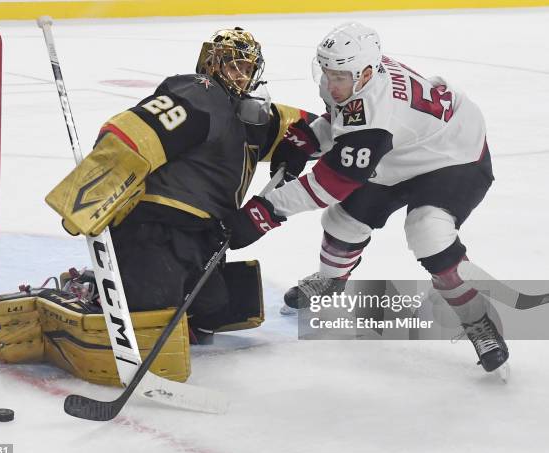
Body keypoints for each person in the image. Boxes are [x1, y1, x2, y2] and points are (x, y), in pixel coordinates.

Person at [225, 22, 509, 373]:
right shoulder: (355, 76)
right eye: (326, 72)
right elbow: (344, 120)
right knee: (343, 222)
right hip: (404, 149)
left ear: (366, 73)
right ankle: (332, 281)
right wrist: (307, 139)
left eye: (339, 77)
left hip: (455, 154)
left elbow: (331, 184)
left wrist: (263, 213)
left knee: (428, 233)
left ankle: (479, 320)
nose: (330, 84)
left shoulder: (377, 110)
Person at [45, 27, 316, 344]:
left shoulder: (254, 117)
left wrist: (357, 133)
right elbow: (134, 131)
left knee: (212, 315)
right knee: (152, 309)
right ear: (212, 64)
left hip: (205, 236)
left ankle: (122, 286)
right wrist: (91, 190)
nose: (241, 76)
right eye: (233, 65)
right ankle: (90, 289)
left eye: (248, 69)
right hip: (155, 227)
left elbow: (319, 129)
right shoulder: (199, 93)